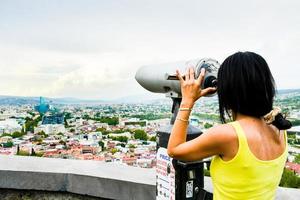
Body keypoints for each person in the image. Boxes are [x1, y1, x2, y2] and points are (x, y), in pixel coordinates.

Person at [167, 51, 292, 200]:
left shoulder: (229, 135)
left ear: (227, 90)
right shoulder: (279, 128)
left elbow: (174, 150)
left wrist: (187, 101)